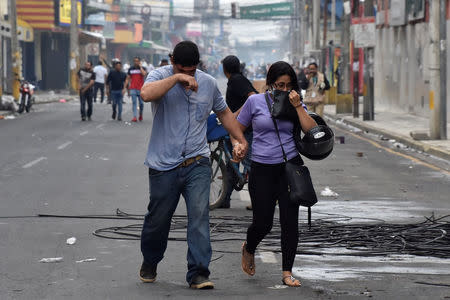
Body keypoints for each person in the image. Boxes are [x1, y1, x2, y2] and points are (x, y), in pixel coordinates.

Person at [139, 41, 248, 289]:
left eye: (191, 70)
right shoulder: (160, 76)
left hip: (197, 162)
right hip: (163, 164)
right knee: (159, 219)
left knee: (199, 216)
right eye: (182, 69)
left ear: (198, 65)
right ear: (173, 62)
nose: (189, 74)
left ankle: (199, 272)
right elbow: (146, 95)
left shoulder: (208, 83)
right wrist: (176, 78)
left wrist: (239, 140)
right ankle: (150, 260)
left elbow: (224, 113)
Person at [234, 61, 317, 287]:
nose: (283, 90)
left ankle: (287, 272)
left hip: (289, 168)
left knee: (290, 222)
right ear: (270, 84)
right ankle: (249, 247)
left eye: (288, 86)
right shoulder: (255, 102)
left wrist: (298, 106)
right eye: (279, 85)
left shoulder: (294, 102)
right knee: (263, 222)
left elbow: (311, 129)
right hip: (261, 169)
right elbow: (237, 129)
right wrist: (239, 145)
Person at [220, 55, 257, 209]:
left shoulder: (237, 80)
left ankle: (260, 200)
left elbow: (253, 97)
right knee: (231, 162)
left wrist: (237, 115)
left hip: (244, 129)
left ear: (225, 69)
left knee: (249, 163)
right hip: (236, 127)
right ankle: (224, 200)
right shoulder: (236, 79)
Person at [125, 57, 147, 122]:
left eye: (137, 61)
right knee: (134, 103)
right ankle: (134, 116)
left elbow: (144, 74)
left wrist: (140, 67)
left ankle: (140, 114)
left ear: (139, 62)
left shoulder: (143, 68)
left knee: (141, 103)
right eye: (135, 61)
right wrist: (125, 88)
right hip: (133, 88)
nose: (136, 62)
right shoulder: (131, 69)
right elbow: (128, 79)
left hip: (141, 88)